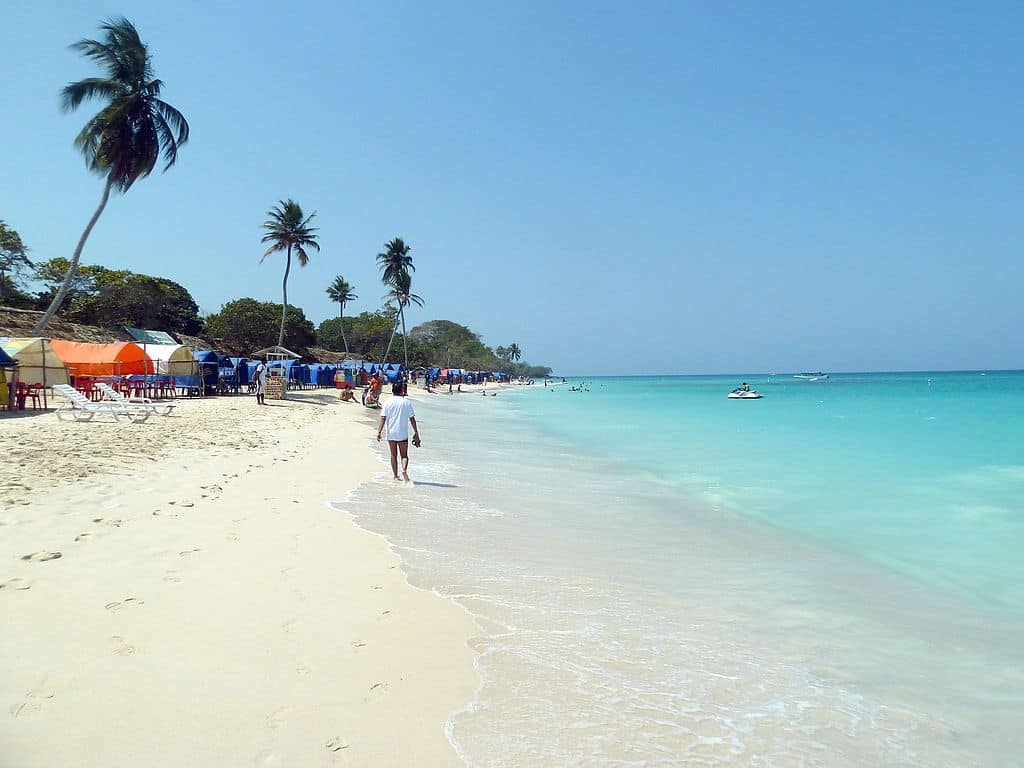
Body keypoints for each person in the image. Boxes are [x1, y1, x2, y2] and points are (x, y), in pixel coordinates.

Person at [377, 382, 420, 481]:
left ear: (392, 390)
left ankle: (395, 476)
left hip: (391, 433)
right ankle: (404, 470)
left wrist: (379, 432)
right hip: (402, 433)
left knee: (393, 455)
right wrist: (416, 432)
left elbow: (383, 418)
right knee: (404, 455)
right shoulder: (406, 402)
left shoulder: (387, 402)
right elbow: (412, 419)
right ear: (402, 390)